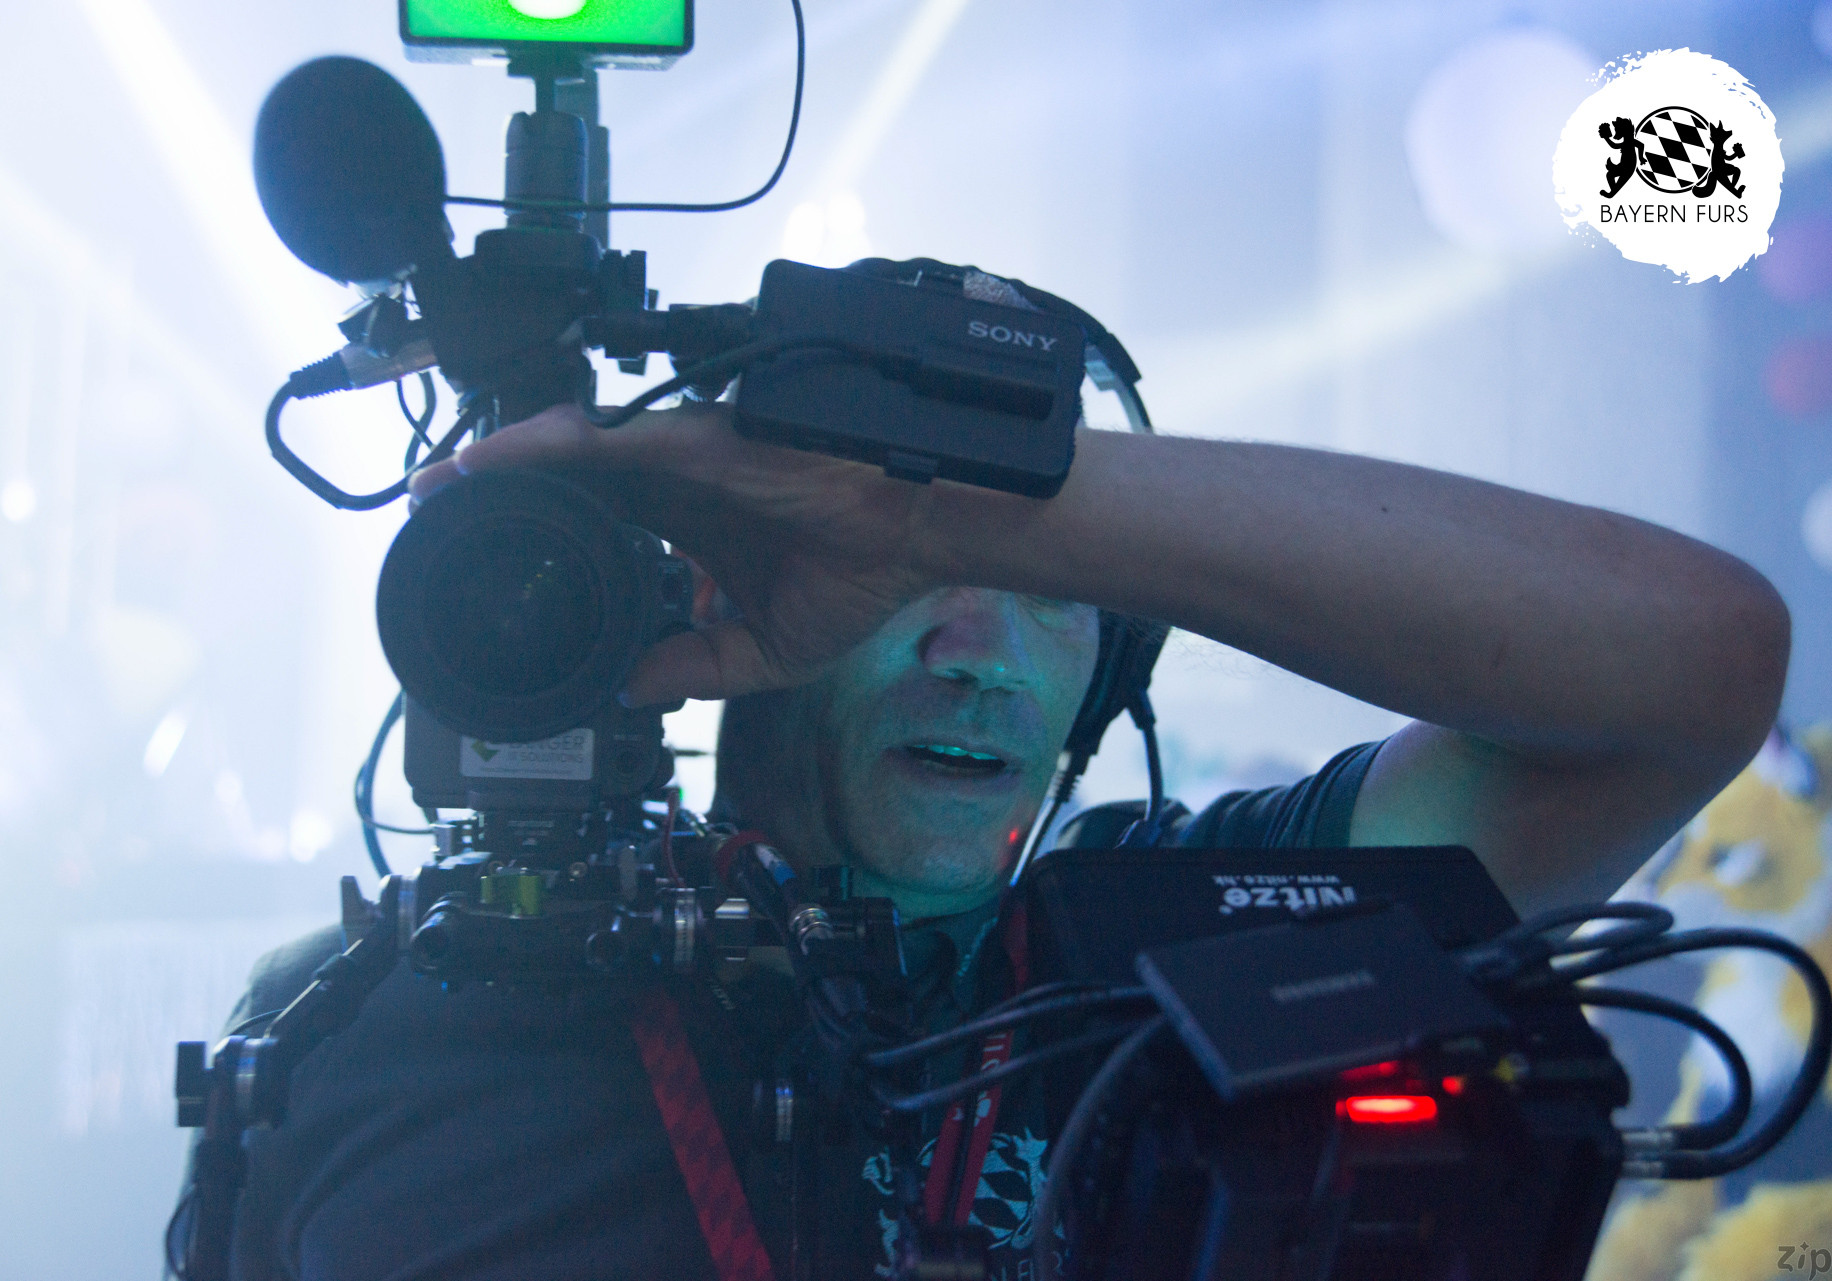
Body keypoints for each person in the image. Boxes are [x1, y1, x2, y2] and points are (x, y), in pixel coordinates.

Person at [201, 390, 1787, 1281]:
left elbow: (1703, 667)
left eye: (1049, 586)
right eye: (906, 583)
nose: (984, 649)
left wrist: (939, 511)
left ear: (1118, 663)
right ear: (736, 601)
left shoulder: (1188, 945)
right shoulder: (377, 1017)